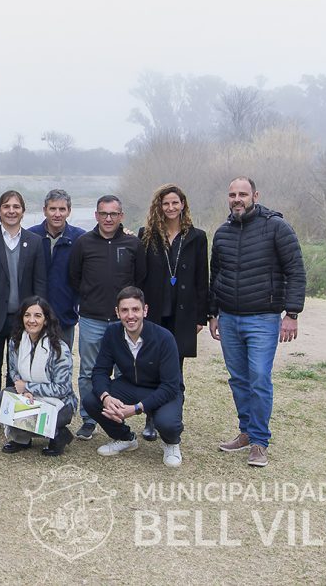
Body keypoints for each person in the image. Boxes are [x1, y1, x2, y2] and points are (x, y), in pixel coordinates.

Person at [209, 176, 306, 468]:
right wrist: (212, 314)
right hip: (228, 318)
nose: (237, 199)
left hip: (263, 319)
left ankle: (260, 442)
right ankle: (245, 431)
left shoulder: (276, 226)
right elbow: (215, 276)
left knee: (260, 379)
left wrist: (292, 313)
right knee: (238, 379)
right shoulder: (222, 232)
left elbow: (296, 270)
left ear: (255, 195)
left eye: (242, 194)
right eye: (232, 194)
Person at [68, 194, 146, 441]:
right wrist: (91, 298)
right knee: (89, 371)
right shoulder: (83, 243)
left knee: (124, 372)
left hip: (125, 323)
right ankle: (89, 419)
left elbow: (141, 279)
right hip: (92, 318)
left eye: (113, 214)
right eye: (104, 213)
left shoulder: (133, 244)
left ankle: (116, 417)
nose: (108, 218)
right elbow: (74, 277)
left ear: (121, 216)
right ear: (96, 215)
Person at [0, 190, 47, 436]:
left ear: (23, 211)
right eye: (6, 206)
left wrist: (37, 317)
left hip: (23, 320)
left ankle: (11, 414)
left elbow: (40, 284)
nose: (11, 211)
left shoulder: (35, 241)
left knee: (17, 370)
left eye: (16, 206)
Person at [83, 287, 184, 467]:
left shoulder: (164, 338)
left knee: (167, 423)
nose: (130, 316)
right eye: (124, 310)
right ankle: (125, 438)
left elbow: (171, 386)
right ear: (117, 312)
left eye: (135, 309)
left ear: (145, 310)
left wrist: (136, 408)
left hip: (163, 391)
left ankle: (171, 443)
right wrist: (106, 398)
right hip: (131, 385)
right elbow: (100, 371)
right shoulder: (112, 334)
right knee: (92, 400)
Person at [138, 184, 208, 441]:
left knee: (175, 369)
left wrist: (201, 316)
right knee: (152, 365)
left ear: (183, 205)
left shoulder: (197, 237)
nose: (170, 208)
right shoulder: (147, 235)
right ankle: (150, 418)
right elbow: (141, 276)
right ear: (159, 206)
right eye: (165, 203)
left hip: (183, 313)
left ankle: (173, 417)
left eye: (174, 203)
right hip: (154, 312)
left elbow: (203, 278)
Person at [0, 297, 77, 457]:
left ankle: (58, 434)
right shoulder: (16, 342)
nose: (31, 320)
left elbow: (62, 388)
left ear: (46, 320)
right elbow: (14, 372)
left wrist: (29, 387)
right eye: (27, 315)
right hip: (29, 397)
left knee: (38, 415)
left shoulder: (59, 348)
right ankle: (22, 439)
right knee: (4, 397)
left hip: (60, 403)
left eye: (37, 316)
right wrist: (23, 392)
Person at [27, 189, 86, 351]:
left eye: (62, 209)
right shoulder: (30, 236)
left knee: (62, 365)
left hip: (65, 316)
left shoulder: (80, 238)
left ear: (69, 211)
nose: (57, 214)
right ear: (45, 210)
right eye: (52, 209)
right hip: (33, 316)